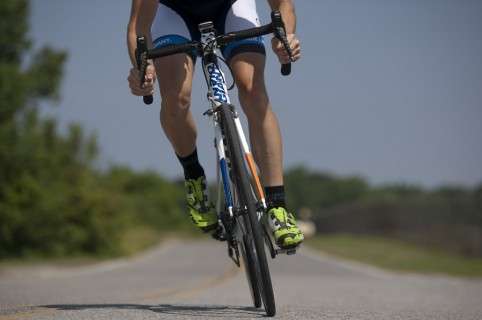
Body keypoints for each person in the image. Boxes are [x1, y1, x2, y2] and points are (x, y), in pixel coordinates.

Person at [127, 0, 303, 249]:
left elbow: (283, 5)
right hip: (174, 12)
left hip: (232, 6)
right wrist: (141, 69)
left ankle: (278, 207)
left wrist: (284, 37)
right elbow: (138, 27)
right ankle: (194, 176)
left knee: (253, 90)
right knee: (177, 97)